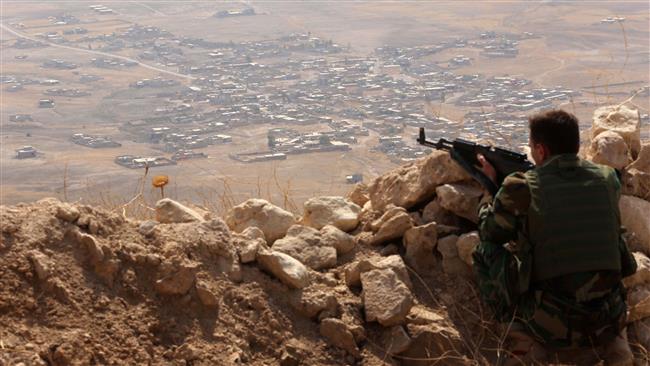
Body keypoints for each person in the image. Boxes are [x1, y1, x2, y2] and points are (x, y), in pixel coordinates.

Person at [472, 109, 638, 365]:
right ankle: (615, 346)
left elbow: (490, 232)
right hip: (609, 319)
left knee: (483, 251)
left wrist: (489, 192)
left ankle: (515, 329)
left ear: (541, 150)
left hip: (551, 328)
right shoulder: (607, 180)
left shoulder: (522, 185)